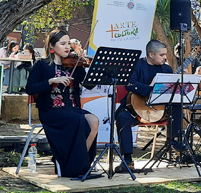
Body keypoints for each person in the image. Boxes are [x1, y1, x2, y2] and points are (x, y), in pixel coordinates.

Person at [26, 29, 99, 177]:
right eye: (63, 43)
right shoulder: (42, 65)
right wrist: (52, 81)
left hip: (72, 108)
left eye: (69, 44)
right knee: (78, 120)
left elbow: (88, 86)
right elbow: (30, 88)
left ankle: (77, 163)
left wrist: (93, 70)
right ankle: (75, 168)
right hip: (51, 110)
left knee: (94, 121)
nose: (67, 47)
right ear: (52, 46)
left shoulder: (74, 64)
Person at [115, 40, 183, 173]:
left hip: (159, 110)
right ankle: (127, 160)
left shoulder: (167, 69)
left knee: (177, 105)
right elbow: (130, 83)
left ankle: (175, 142)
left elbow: (171, 90)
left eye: (165, 54)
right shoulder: (137, 65)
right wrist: (150, 90)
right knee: (122, 117)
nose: (165, 57)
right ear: (151, 54)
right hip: (136, 109)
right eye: (162, 55)